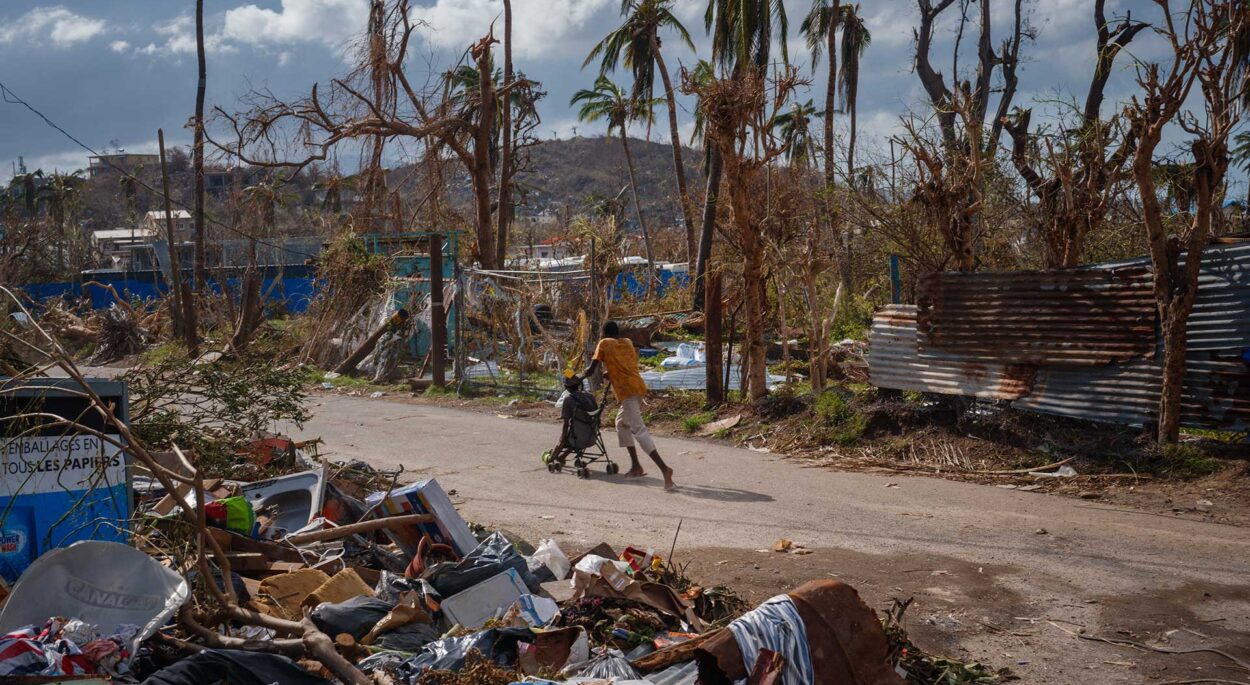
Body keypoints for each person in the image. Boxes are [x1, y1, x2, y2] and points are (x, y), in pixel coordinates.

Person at [581, 321, 676, 491]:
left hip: (628, 393)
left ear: (603, 333)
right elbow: (625, 365)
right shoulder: (627, 343)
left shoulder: (604, 343)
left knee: (639, 430)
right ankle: (636, 466)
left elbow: (591, 369)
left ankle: (665, 470)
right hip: (638, 388)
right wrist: (611, 373)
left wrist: (578, 378)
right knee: (621, 423)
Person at [548, 371, 597, 467]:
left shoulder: (568, 400)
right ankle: (562, 456)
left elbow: (566, 424)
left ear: (566, 387)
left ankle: (551, 458)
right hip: (592, 436)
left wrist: (562, 439)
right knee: (575, 432)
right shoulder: (590, 397)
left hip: (578, 438)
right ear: (579, 385)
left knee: (566, 437)